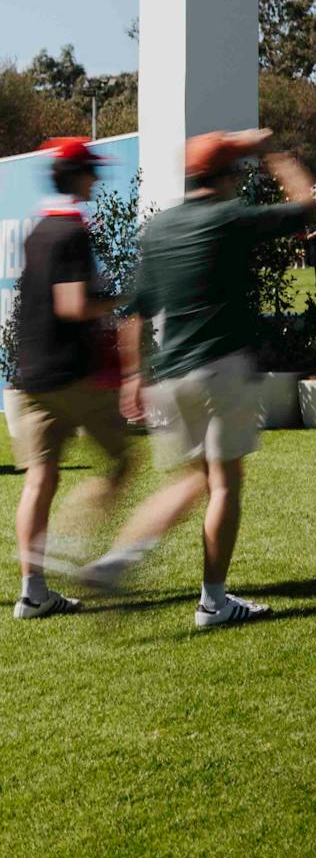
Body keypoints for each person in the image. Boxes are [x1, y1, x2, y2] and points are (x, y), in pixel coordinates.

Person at [81, 130, 316, 629]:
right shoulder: (229, 218)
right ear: (227, 175)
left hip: (169, 377)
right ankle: (213, 601)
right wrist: (271, 152)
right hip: (222, 368)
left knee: (191, 480)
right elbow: (306, 207)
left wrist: (132, 376)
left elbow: (135, 312)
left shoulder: (159, 228)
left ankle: (118, 559)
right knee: (224, 484)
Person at [7, 138, 134, 619]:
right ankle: (70, 547)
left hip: (31, 375)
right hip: (73, 378)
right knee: (123, 463)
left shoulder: (38, 229)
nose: (97, 179)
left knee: (40, 479)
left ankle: (32, 591)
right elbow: (74, 306)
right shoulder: (72, 232)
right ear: (76, 175)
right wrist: (123, 299)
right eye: (91, 171)